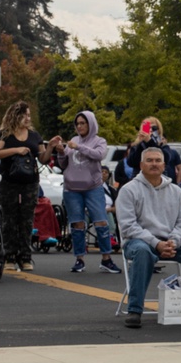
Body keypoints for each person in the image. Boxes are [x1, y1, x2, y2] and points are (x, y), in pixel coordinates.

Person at [115, 145, 181, 329]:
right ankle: (135, 310)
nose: (154, 164)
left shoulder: (176, 191)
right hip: (140, 242)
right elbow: (128, 226)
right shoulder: (128, 190)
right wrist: (156, 243)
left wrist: (173, 241)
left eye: (158, 160)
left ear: (165, 165)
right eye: (149, 160)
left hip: (172, 241)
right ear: (141, 164)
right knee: (142, 252)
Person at [0, 101, 57, 272]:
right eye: (24, 115)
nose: (28, 118)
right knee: (9, 218)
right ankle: (9, 257)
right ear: (15, 115)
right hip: (9, 181)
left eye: (29, 115)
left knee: (27, 219)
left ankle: (25, 257)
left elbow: (42, 158)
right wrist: (16, 150)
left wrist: (50, 147)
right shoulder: (4, 134)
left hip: (30, 181)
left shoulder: (34, 135)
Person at [55, 111, 121, 276]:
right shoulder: (73, 140)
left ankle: (106, 259)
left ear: (91, 123)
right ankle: (79, 259)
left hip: (93, 187)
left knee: (101, 222)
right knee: (77, 224)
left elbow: (99, 155)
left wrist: (79, 147)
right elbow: (64, 164)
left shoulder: (99, 141)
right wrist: (61, 152)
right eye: (77, 123)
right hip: (72, 189)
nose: (79, 126)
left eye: (83, 123)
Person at [125, 118, 180, 184]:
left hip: (159, 181)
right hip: (139, 182)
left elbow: (166, 158)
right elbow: (131, 162)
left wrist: (150, 142)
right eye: (148, 128)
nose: (151, 130)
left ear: (159, 130)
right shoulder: (136, 146)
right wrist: (142, 142)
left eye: (154, 128)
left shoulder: (163, 145)